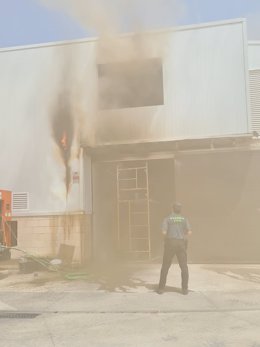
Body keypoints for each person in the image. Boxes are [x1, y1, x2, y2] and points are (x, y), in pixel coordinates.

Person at [157, 202, 192, 295]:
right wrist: (182, 234)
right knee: (184, 267)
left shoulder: (167, 219)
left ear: (172, 208)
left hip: (170, 243)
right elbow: (189, 232)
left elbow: (164, 232)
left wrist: (168, 236)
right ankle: (184, 289)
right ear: (180, 209)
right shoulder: (184, 219)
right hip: (181, 243)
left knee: (165, 266)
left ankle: (161, 288)